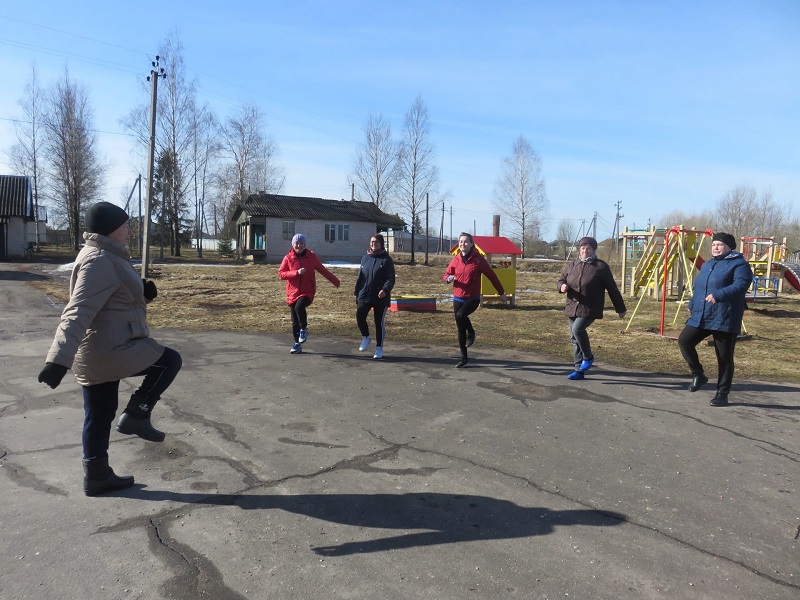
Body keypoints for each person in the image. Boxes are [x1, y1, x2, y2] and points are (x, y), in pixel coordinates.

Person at [37, 202, 182, 496]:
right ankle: (137, 415)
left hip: (101, 348)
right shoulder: (99, 259)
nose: (130, 230)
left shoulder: (105, 255)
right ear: (111, 228)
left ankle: (97, 475)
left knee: (99, 414)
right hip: (109, 348)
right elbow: (78, 310)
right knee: (168, 361)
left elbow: (111, 299)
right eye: (126, 225)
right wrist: (57, 360)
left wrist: (142, 292)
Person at [678, 232, 752, 406]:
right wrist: (692, 303)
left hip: (725, 315)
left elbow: (741, 285)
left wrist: (719, 295)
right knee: (684, 341)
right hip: (703, 313)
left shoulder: (739, 264)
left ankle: (722, 393)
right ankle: (699, 374)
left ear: (729, 247)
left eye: (719, 245)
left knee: (724, 358)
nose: (716, 248)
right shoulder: (708, 264)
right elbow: (699, 287)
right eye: (714, 245)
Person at [557, 236, 626, 380]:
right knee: (574, 338)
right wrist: (561, 286)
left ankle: (588, 357)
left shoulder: (600, 267)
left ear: (593, 250)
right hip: (572, 306)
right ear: (579, 249)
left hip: (590, 307)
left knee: (578, 329)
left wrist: (620, 308)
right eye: (582, 248)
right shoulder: (573, 265)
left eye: (588, 248)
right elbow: (561, 279)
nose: (585, 251)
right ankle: (578, 370)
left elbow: (612, 288)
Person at [443, 232, 507, 368]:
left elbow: (492, 276)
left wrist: (501, 292)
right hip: (457, 297)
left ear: (471, 244)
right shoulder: (456, 259)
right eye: (460, 242)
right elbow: (447, 274)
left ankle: (471, 332)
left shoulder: (478, 260)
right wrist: (449, 278)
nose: (462, 244)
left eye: (466, 242)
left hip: (472, 298)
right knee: (460, 328)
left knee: (461, 315)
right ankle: (464, 357)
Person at [278, 233, 341, 354]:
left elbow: (322, 269)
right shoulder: (288, 258)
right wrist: (296, 273)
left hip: (307, 291)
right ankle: (297, 344)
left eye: (301, 243)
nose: (299, 246)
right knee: (294, 320)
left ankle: (304, 329)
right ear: (293, 244)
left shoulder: (311, 257)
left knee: (299, 307)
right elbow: (281, 273)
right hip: (292, 292)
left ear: (305, 245)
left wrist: (335, 281)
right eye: (297, 243)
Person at [354, 234, 395, 359]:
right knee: (360, 316)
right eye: (372, 242)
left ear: (381, 243)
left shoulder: (386, 260)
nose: (373, 244)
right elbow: (360, 277)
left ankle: (379, 348)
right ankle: (365, 337)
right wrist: (357, 292)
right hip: (365, 294)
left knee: (378, 322)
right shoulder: (365, 258)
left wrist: (385, 289)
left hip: (380, 297)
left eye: (376, 242)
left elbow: (390, 278)